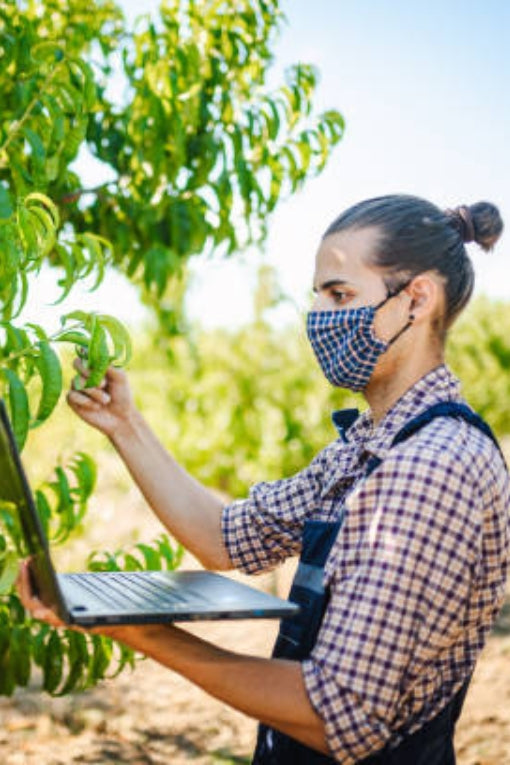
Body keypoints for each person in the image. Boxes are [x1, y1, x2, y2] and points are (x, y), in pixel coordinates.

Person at [18, 194, 509, 764]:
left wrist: (140, 632)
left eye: (341, 295)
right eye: (320, 297)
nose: (322, 317)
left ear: (416, 300)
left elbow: (338, 716)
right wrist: (124, 425)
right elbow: (226, 536)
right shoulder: (364, 449)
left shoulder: (428, 467)